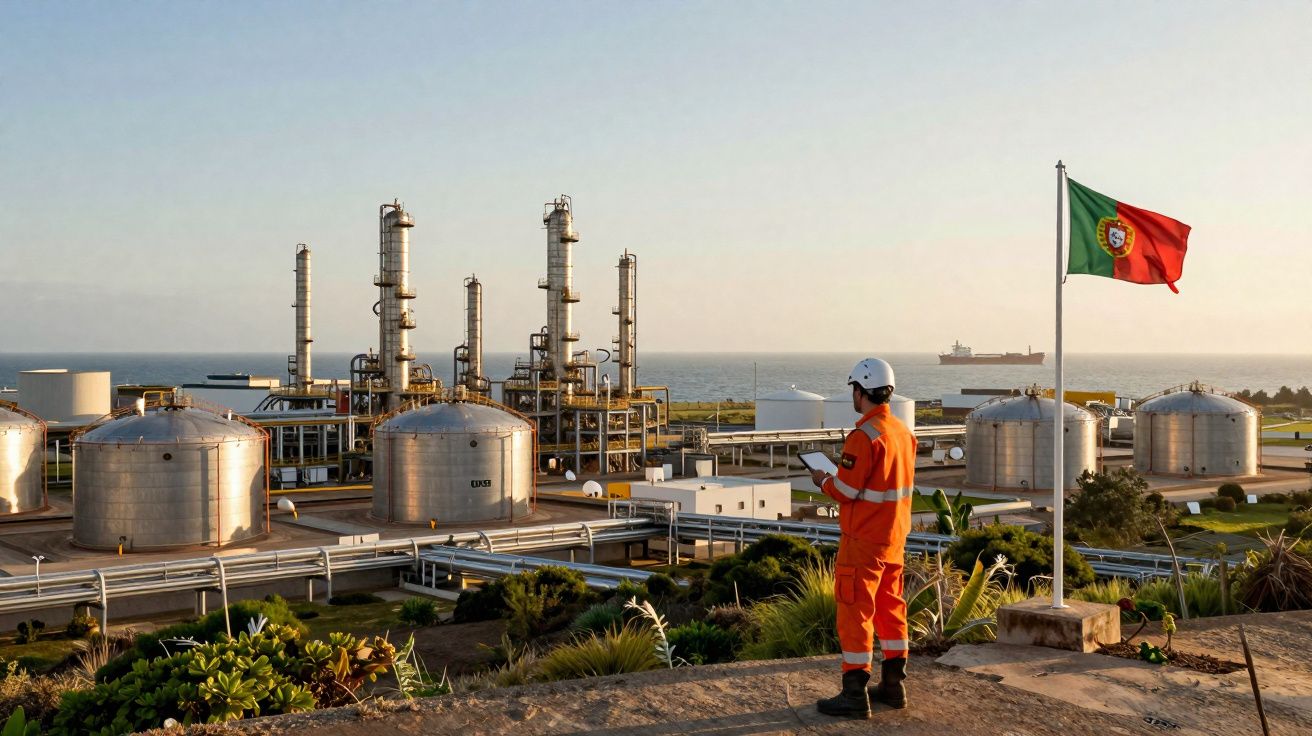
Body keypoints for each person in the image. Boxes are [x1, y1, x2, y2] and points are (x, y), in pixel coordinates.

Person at [809, 357, 915, 719]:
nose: (852, 396)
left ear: (861, 391)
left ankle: (854, 694)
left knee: (856, 612)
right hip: (895, 538)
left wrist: (823, 479)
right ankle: (893, 686)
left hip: (863, 541)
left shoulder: (863, 437)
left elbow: (845, 490)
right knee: (891, 608)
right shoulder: (903, 433)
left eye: (853, 389)